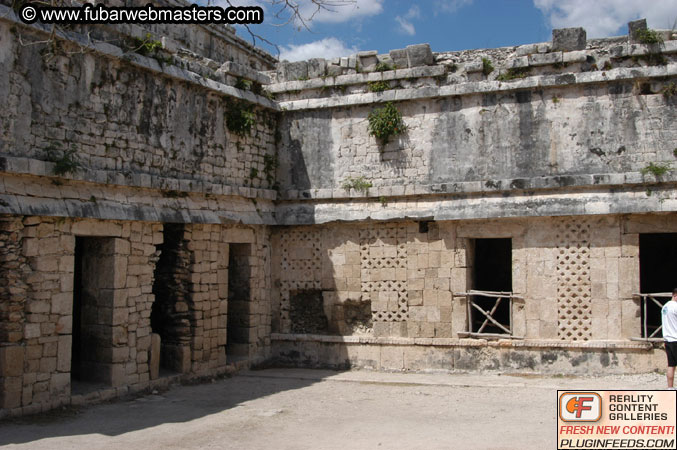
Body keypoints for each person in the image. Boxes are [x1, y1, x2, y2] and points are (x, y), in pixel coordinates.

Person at [661, 289, 677, 389]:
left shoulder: (665, 306)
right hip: (676, 338)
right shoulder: (675, 306)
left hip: (667, 339)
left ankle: (670, 388)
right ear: (675, 295)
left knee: (671, 365)